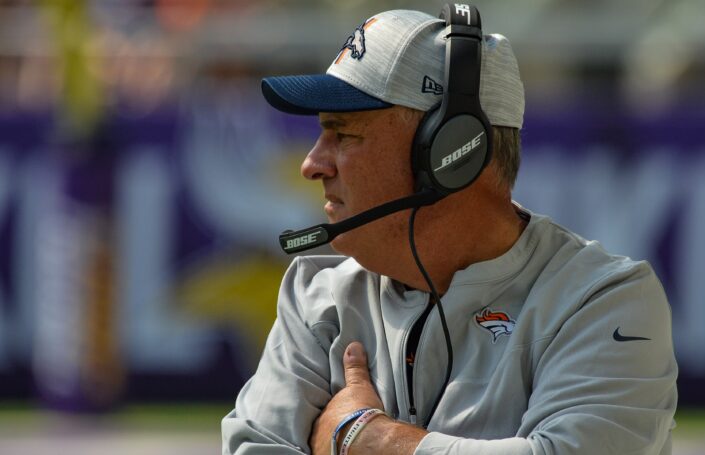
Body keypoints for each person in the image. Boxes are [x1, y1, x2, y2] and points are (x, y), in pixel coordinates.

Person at [222, 5, 678, 455]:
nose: (311, 164)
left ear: (449, 152)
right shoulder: (315, 299)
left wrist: (365, 438)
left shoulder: (605, 300)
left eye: (343, 134)